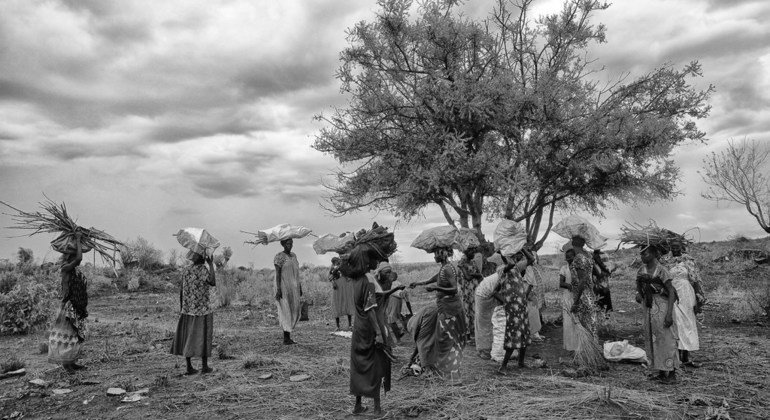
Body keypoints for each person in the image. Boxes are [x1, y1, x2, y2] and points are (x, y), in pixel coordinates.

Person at [344, 224, 396, 416]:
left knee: (359, 365)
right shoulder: (368, 281)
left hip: (358, 328)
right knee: (376, 365)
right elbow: (371, 309)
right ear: (367, 259)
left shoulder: (356, 280)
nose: (377, 261)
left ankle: (357, 405)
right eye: (374, 258)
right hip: (370, 328)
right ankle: (377, 409)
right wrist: (379, 334)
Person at [409, 247, 466, 383]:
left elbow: (454, 289)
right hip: (446, 308)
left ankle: (452, 376)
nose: (434, 256)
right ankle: (449, 374)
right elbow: (433, 279)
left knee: (446, 340)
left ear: (442, 254)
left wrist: (436, 288)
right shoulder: (444, 268)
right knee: (444, 339)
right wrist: (418, 283)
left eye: (435, 254)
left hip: (450, 310)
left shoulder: (447, 268)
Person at [636, 244, 680, 383]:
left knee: (666, 338)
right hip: (648, 308)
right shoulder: (641, 270)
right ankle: (661, 371)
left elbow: (671, 291)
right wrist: (639, 294)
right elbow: (639, 288)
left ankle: (671, 373)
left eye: (645, 254)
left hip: (662, 307)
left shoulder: (662, 270)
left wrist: (668, 315)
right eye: (641, 254)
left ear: (654, 254)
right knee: (653, 339)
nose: (642, 256)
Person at [170, 250, 216, 375]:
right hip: (202, 309)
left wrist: (182, 307)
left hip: (187, 309)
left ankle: (189, 367)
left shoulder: (186, 270)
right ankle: (205, 366)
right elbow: (212, 282)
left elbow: (182, 289)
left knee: (187, 336)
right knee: (203, 335)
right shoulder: (202, 270)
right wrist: (211, 264)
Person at [48, 232, 88, 373]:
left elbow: (77, 260)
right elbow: (79, 258)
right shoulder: (65, 268)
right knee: (65, 335)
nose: (74, 259)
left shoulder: (72, 270)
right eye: (71, 256)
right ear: (68, 258)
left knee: (73, 335)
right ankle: (66, 365)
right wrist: (77, 239)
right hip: (67, 306)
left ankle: (71, 362)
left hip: (73, 305)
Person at [497, 248, 535, 374]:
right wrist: (504, 251)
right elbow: (510, 264)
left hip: (521, 306)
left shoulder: (517, 269)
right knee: (514, 334)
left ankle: (521, 362)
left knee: (523, 332)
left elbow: (531, 259)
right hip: (513, 308)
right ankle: (503, 367)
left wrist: (522, 247)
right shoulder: (502, 270)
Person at [668, 241, 703, 368]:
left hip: (686, 293)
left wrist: (699, 296)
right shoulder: (666, 261)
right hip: (672, 294)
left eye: (677, 247)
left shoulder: (688, 260)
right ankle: (676, 356)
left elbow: (695, 278)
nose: (675, 249)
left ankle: (686, 356)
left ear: (682, 248)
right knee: (676, 322)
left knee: (687, 323)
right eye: (673, 247)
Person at [274, 238, 302, 345]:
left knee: (295, 309)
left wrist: (299, 286)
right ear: (283, 244)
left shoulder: (294, 256)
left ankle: (288, 336)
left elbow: (297, 273)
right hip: (284, 286)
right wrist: (279, 289)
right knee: (286, 311)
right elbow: (278, 274)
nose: (290, 245)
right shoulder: (279, 257)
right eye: (287, 243)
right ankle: (286, 338)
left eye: (291, 243)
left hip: (294, 287)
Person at [457, 246, 483, 340]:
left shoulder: (472, 262)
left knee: (474, 311)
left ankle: (473, 332)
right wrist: (473, 275)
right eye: (472, 252)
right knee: (466, 311)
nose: (474, 254)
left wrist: (472, 274)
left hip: (473, 290)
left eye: (474, 251)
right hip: (465, 291)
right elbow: (467, 277)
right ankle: (467, 335)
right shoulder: (461, 263)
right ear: (466, 252)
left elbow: (479, 275)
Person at [559, 245, 579, 352]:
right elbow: (561, 283)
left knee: (577, 319)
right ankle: (570, 345)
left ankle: (578, 344)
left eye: (570, 257)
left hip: (577, 296)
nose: (568, 259)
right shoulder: (564, 268)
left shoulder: (579, 268)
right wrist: (568, 285)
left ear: (575, 257)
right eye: (567, 257)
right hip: (568, 295)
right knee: (568, 319)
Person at [329, 257, 353, 331]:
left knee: (347, 303)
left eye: (338, 261)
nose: (338, 262)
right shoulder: (332, 268)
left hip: (345, 286)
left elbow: (348, 276)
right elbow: (329, 277)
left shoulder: (343, 267)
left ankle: (349, 325)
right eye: (336, 261)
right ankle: (337, 326)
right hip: (337, 287)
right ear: (333, 262)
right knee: (337, 304)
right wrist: (333, 283)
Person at [593, 249, 614, 316]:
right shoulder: (605, 255)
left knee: (600, 303)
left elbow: (599, 273)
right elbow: (609, 269)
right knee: (606, 303)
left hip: (598, 285)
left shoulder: (594, 257)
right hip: (605, 285)